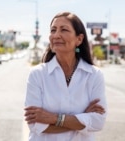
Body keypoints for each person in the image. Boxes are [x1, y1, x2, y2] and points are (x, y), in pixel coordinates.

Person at [24, 11, 107, 141]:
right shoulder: (37, 74)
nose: (56, 35)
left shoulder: (94, 75)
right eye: (53, 30)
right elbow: (35, 125)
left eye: (64, 30)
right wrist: (82, 118)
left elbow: (98, 122)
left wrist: (53, 119)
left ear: (79, 39)